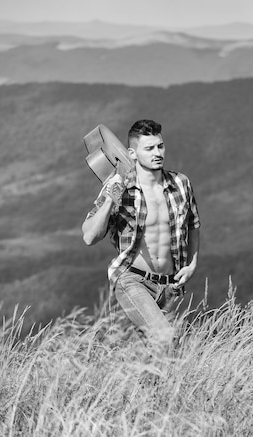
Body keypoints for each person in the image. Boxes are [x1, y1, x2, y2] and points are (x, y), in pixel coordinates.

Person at [82, 119, 200, 348]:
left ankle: (145, 384)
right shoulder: (119, 186)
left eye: (160, 146)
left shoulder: (181, 183)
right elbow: (89, 236)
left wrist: (193, 263)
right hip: (133, 280)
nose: (157, 153)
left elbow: (193, 224)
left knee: (156, 353)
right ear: (132, 153)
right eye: (149, 148)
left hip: (170, 286)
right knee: (167, 338)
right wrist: (110, 199)